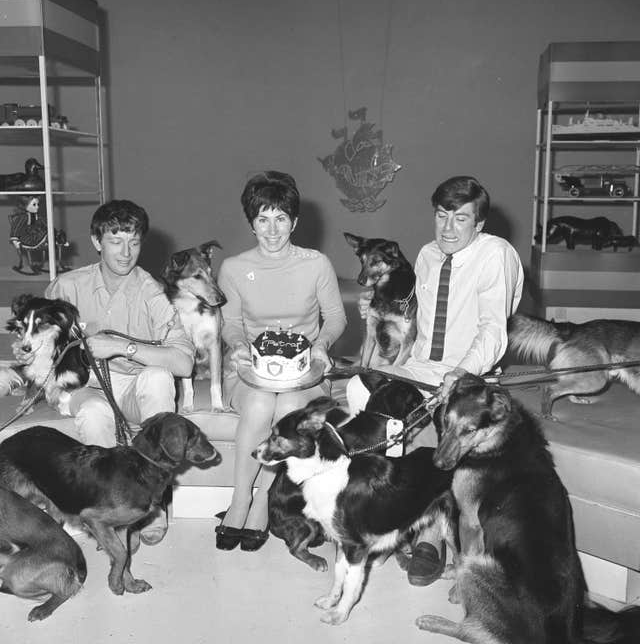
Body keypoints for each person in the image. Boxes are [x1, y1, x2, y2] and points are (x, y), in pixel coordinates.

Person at [347, 175, 524, 585]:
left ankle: (429, 538)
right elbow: (417, 317)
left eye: (459, 218)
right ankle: (390, 514)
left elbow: (493, 330)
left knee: (436, 415)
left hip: (474, 371)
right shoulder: (427, 255)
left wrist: (462, 372)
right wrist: (374, 306)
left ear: (478, 224)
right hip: (425, 364)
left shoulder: (496, 254)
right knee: (359, 387)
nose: (447, 227)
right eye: (441, 215)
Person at [43, 199, 194, 544]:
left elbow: (184, 363)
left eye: (134, 242)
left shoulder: (150, 290)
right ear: (97, 242)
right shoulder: (66, 287)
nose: (126, 253)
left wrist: (121, 348)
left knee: (158, 377)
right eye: (115, 241)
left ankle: (153, 504)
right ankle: (110, 510)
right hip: (87, 383)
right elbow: (39, 345)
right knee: (95, 413)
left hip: (133, 383)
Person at [216, 170, 346, 552]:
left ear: (295, 221)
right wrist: (238, 344)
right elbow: (230, 323)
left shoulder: (316, 264)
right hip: (249, 372)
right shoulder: (234, 268)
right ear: (251, 223)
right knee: (259, 403)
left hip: (303, 374)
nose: (272, 230)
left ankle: (262, 501)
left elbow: (336, 317)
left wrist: (322, 344)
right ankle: (240, 498)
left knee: (289, 407)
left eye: (281, 219)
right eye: (262, 219)